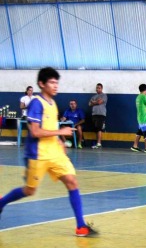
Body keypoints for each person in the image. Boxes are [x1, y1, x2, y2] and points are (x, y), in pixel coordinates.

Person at [0, 67, 98, 237]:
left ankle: (81, 226)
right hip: (37, 154)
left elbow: (51, 127)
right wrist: (61, 133)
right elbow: (35, 132)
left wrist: (60, 142)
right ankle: (2, 202)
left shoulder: (53, 105)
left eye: (56, 82)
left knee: (72, 182)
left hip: (54, 153)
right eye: (52, 82)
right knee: (30, 190)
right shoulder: (36, 104)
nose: (55, 86)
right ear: (41, 84)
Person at [88, 83, 107, 149]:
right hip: (94, 114)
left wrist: (94, 102)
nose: (97, 89)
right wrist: (95, 102)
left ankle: (99, 143)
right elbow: (89, 104)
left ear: (101, 88)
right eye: (97, 88)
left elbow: (99, 102)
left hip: (101, 114)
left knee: (99, 129)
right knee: (96, 129)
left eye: (99, 88)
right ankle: (97, 143)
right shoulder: (93, 96)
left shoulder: (104, 95)